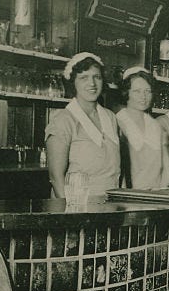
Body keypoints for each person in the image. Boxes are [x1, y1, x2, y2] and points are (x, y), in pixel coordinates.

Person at [45, 52, 120, 197]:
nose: (92, 84)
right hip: (78, 206)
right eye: (83, 78)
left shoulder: (110, 117)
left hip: (110, 204)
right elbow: (56, 178)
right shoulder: (63, 120)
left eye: (96, 77)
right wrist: (71, 213)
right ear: (73, 82)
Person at [116, 67, 169, 189]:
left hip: (153, 198)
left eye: (147, 91)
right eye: (137, 91)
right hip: (125, 198)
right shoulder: (117, 122)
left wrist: (155, 195)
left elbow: (168, 172)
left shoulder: (156, 125)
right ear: (126, 92)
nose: (143, 96)